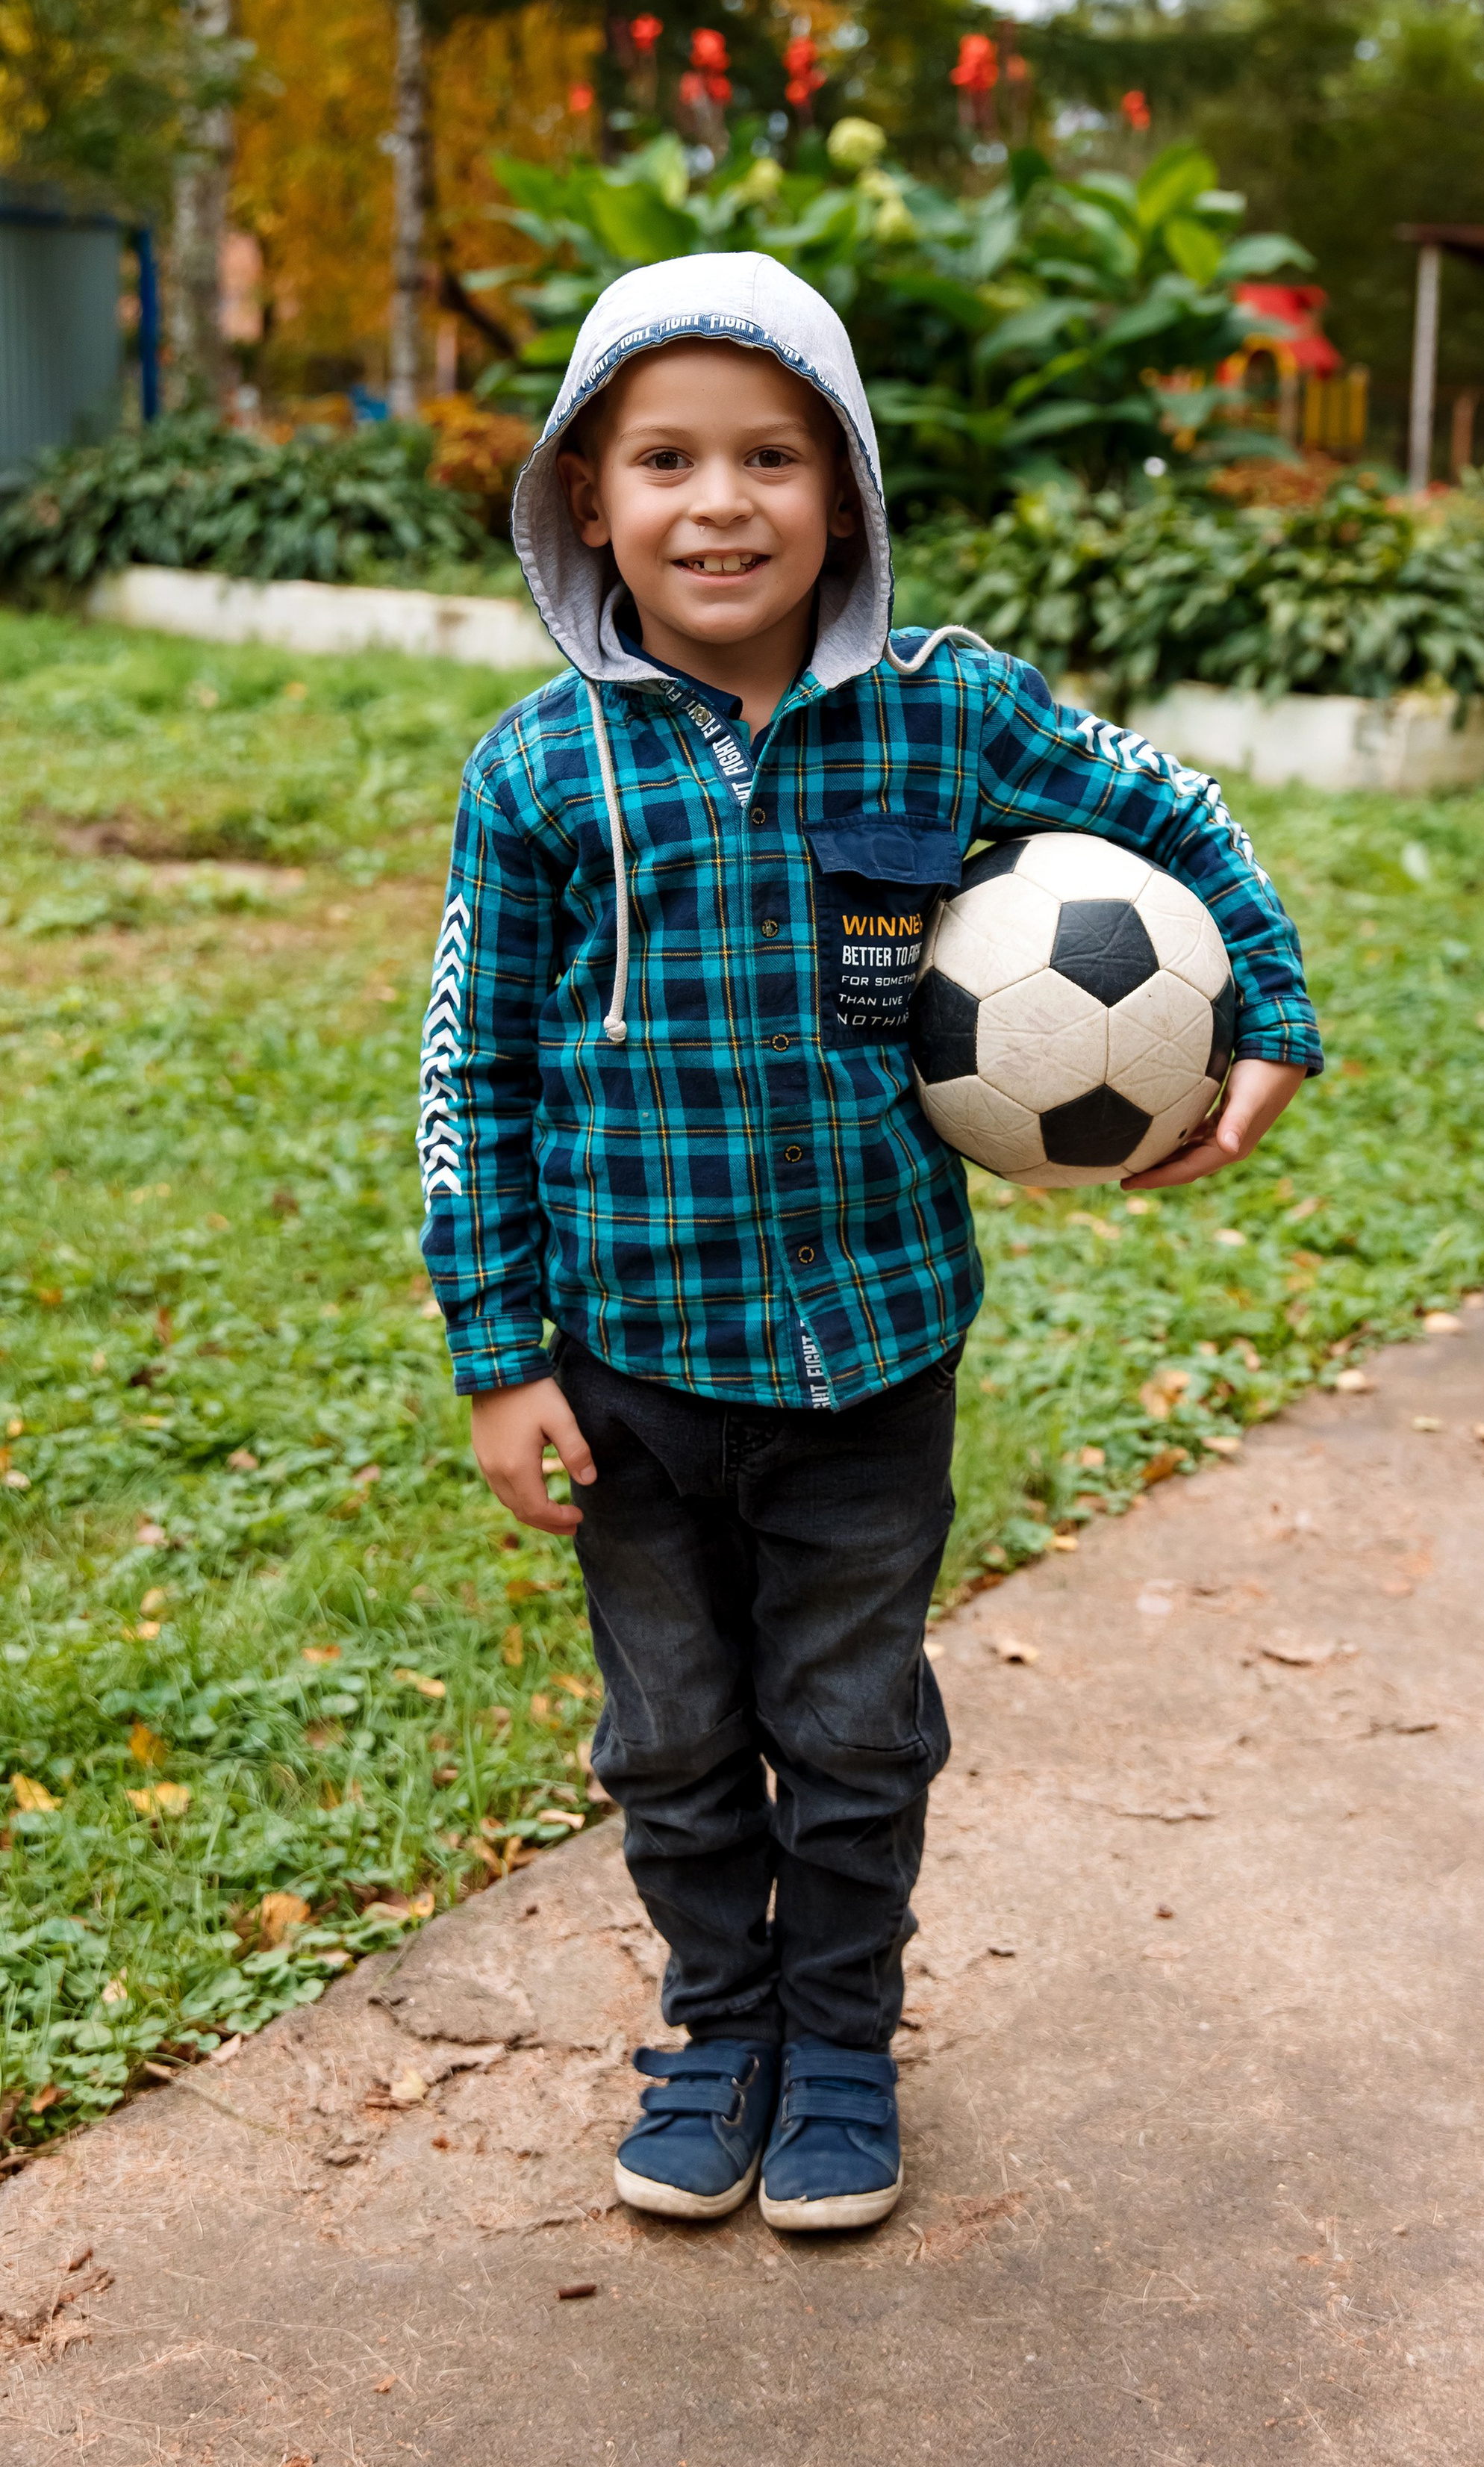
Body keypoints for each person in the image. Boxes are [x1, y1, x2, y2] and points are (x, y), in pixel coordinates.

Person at [417, 252, 1321, 2235]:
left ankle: (838, 2049)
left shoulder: (947, 717)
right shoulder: (538, 772)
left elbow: (1174, 805)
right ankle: (715, 2030)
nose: (717, 502)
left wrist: (1269, 1004)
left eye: (771, 456)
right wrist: (501, 1354)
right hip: (632, 1374)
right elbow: (471, 1070)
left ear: (847, 492)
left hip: (869, 1366)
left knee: (845, 1731)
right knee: (669, 1740)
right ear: (588, 496)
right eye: (664, 459)